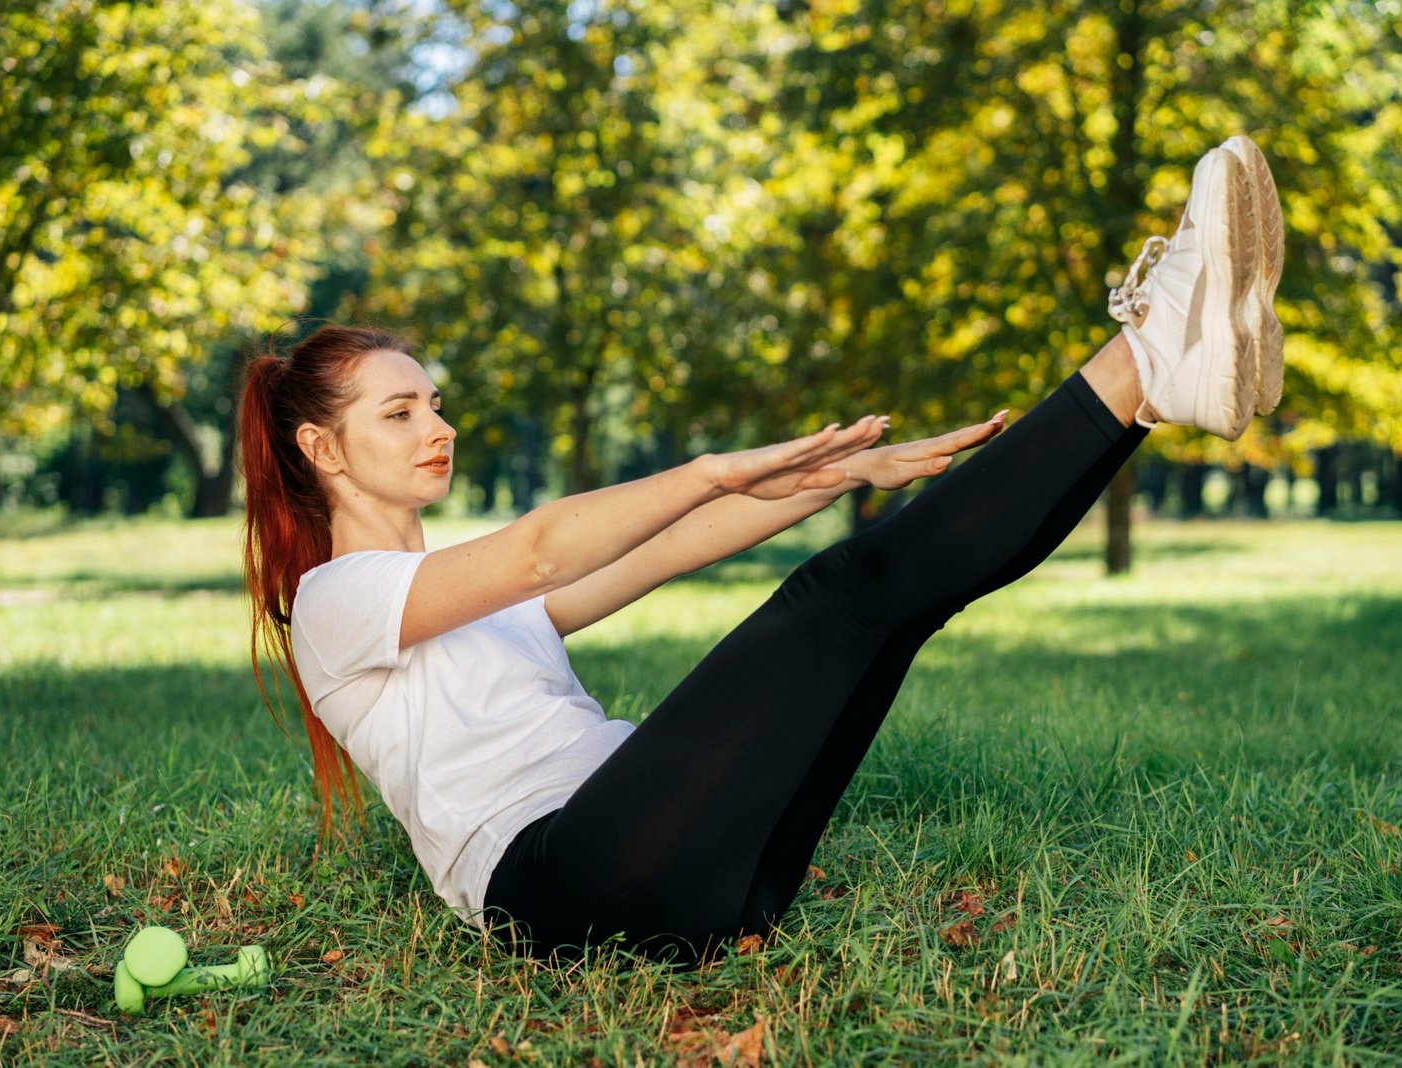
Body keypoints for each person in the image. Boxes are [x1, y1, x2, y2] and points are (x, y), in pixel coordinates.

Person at [238, 134, 1284, 968]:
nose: (437, 426)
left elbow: (662, 552)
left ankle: (1149, 391)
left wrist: (826, 479)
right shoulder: (338, 603)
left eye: (436, 401)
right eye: (399, 411)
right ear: (320, 447)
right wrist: (716, 465)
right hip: (563, 885)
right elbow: (545, 552)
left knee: (889, 605)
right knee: (835, 595)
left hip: (711, 873)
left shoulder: (452, 588)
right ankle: (1146, 352)